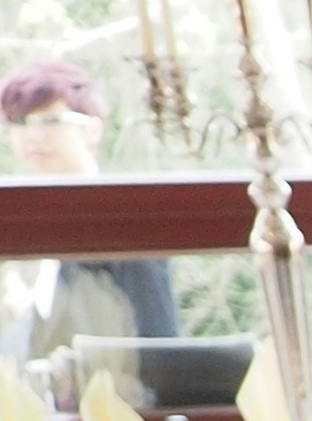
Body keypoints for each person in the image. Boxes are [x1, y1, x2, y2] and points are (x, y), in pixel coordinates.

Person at [1, 63, 184, 361]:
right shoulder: (25, 222)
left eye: (50, 121)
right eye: (19, 123)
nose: (33, 137)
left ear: (92, 130)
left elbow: (158, 340)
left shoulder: (122, 217)